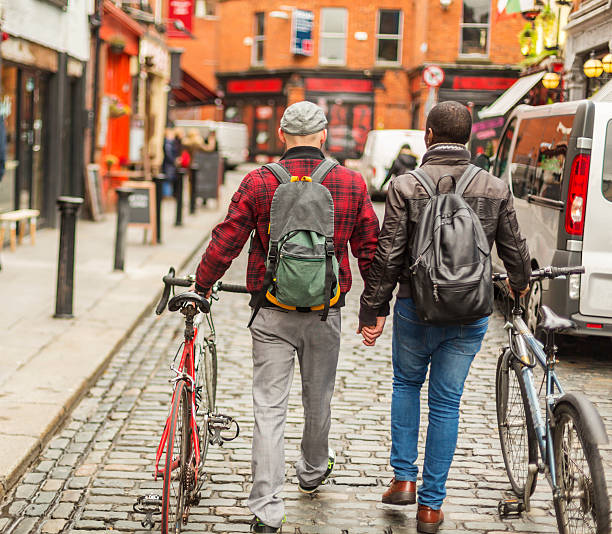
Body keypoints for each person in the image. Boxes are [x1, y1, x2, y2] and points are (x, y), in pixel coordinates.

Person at [194, 101, 381, 533]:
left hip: (271, 310)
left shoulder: (260, 181)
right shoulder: (349, 182)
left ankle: (266, 509)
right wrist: (373, 307)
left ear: (281, 134)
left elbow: (228, 239)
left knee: (268, 408)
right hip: (324, 313)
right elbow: (370, 247)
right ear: (323, 135)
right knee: (318, 399)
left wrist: (203, 285)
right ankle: (313, 470)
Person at [358, 101, 531, 534]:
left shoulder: (405, 185)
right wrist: (520, 285)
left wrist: (373, 310)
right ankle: (431, 507)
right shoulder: (494, 187)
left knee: (405, 384)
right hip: (470, 312)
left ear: (428, 135)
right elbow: (515, 252)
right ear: (469, 138)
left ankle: (403, 479)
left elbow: (389, 253)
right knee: (447, 404)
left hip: (416, 307)